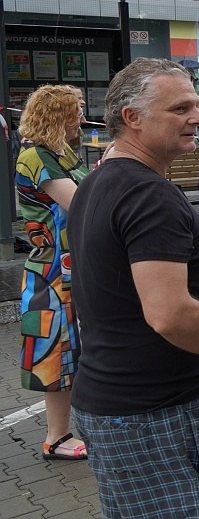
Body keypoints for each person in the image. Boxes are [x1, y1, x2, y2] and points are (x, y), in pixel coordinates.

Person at [68, 58, 199, 519]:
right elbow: (169, 314)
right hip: (154, 415)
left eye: (196, 106)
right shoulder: (149, 195)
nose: (197, 118)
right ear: (132, 118)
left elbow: (113, 272)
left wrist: (197, 268)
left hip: (118, 403)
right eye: (180, 108)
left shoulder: (98, 181)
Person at [14, 85, 89, 462]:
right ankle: (56, 438)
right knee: (56, 354)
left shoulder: (59, 151)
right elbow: (80, 201)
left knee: (74, 352)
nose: (82, 116)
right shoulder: (35, 156)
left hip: (72, 269)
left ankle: (70, 431)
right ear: (58, 116)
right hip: (51, 273)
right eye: (76, 110)